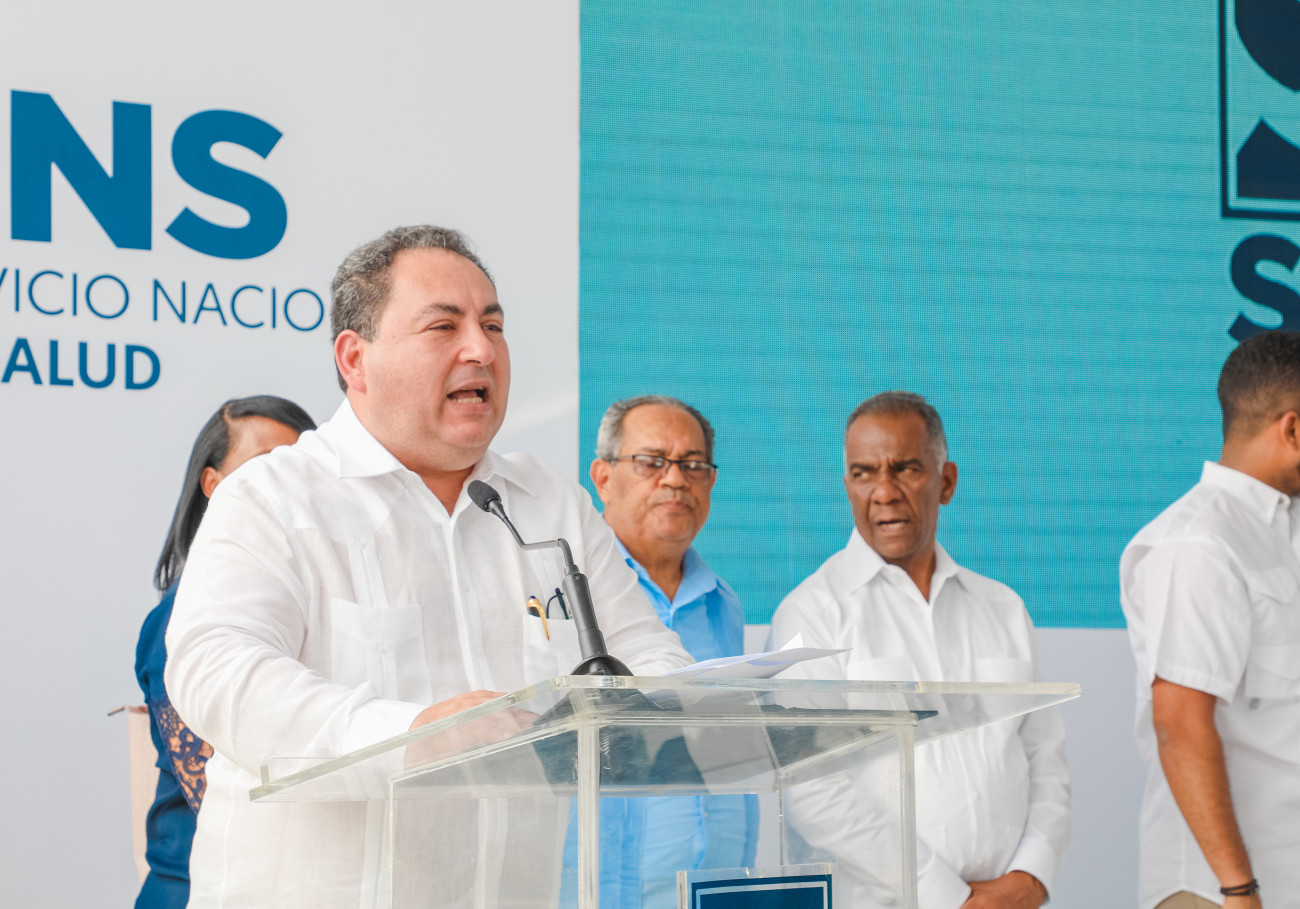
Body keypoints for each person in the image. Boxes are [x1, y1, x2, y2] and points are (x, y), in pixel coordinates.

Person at [164, 225, 692, 909]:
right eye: (444, 327)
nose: (482, 350)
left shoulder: (548, 503)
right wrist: (410, 736)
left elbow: (648, 653)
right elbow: (216, 671)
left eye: (493, 326)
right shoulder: (273, 496)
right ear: (355, 358)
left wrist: (682, 705)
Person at [769, 391, 1070, 909]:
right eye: (863, 473)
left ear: (946, 481)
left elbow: (1045, 759)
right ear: (847, 487)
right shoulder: (811, 614)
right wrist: (951, 899)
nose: (884, 492)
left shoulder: (1003, 608)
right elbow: (813, 790)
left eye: (905, 469)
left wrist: (1029, 877)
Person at [1121, 331, 1300, 909]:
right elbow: (1180, 724)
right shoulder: (1199, 543)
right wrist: (1238, 889)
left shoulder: (1286, 532)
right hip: (1220, 889)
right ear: (1293, 431)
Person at [576, 395, 758, 907]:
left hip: (722, 890)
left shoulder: (723, 604)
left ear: (711, 482)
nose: (675, 479)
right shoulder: (567, 600)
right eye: (651, 462)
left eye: (693, 464)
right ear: (603, 478)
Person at [134, 395, 315, 909]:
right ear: (211, 484)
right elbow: (209, 792)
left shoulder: (308, 597)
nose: (285, 483)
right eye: (265, 465)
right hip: (201, 890)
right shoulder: (183, 617)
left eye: (300, 465)